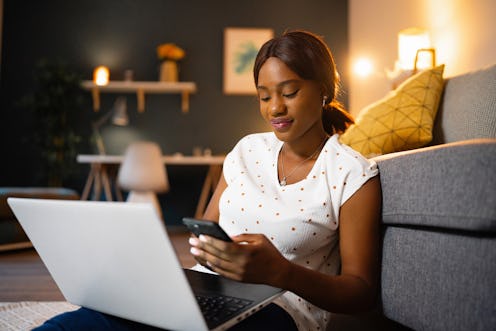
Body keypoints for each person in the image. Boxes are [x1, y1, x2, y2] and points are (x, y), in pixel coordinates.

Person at [34, 30, 381, 331]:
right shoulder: (247, 151)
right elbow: (204, 231)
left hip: (282, 311)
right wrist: (188, 257)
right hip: (208, 289)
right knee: (97, 319)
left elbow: (361, 291)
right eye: (264, 96)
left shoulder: (350, 173)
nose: (275, 108)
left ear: (322, 91)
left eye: (289, 93)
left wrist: (282, 274)